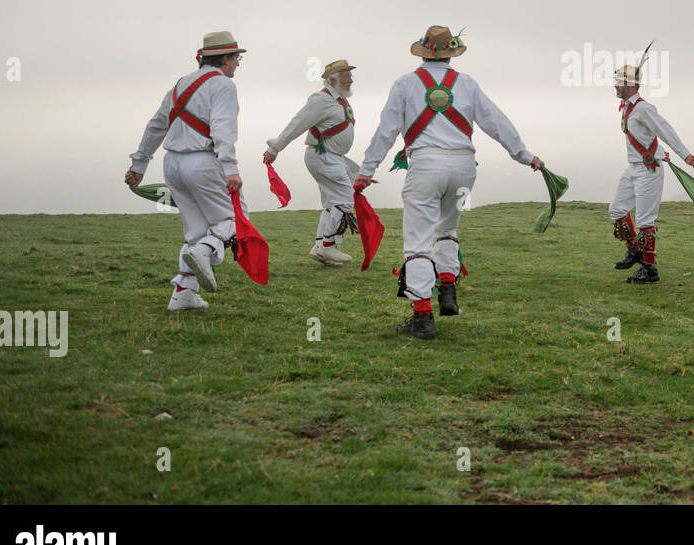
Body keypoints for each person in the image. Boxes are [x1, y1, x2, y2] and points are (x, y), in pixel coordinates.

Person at [354, 26, 542, 339]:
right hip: (465, 167)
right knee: (446, 229)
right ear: (451, 53)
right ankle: (448, 289)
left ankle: (423, 317)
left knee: (418, 240)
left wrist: (366, 168)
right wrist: (524, 155)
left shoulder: (404, 84)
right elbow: (495, 122)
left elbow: (386, 131)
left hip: (426, 165)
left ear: (424, 50)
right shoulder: (466, 84)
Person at [125, 31, 246, 312]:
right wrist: (231, 168)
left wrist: (139, 164)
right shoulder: (224, 86)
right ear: (225, 59)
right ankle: (202, 254)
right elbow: (222, 128)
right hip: (203, 162)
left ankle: (183, 293)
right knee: (233, 220)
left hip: (173, 164)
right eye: (237, 58)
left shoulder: (181, 84)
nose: (238, 63)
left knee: (196, 231)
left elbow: (156, 125)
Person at [610, 61, 694, 285]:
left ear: (631, 86)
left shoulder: (644, 108)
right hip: (633, 167)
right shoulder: (629, 108)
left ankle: (650, 268)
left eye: (619, 84)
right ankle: (634, 251)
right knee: (617, 210)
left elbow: (665, 130)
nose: (615, 87)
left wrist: (684, 154)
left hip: (649, 170)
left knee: (645, 220)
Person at [264, 59, 359, 266]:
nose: (350, 79)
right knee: (345, 199)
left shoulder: (338, 100)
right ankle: (328, 246)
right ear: (333, 79)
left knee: (331, 202)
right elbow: (297, 124)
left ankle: (319, 247)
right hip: (324, 157)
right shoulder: (320, 100)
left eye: (350, 75)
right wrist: (275, 148)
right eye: (346, 75)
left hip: (332, 157)